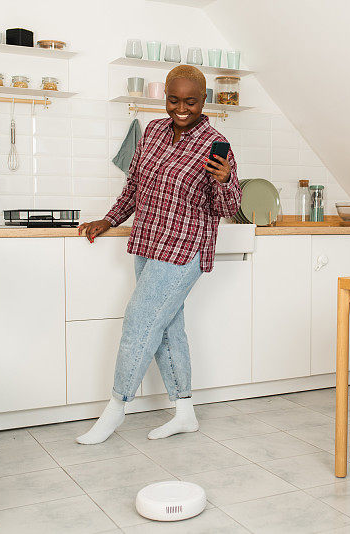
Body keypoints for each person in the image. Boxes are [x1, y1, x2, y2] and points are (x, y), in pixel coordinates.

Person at [75, 65, 241, 444]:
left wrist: (224, 179)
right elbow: (134, 185)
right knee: (166, 327)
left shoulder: (217, 144)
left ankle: (115, 409)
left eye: (191, 101)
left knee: (138, 322)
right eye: (174, 99)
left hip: (184, 248)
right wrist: (110, 218)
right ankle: (185, 412)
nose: (181, 108)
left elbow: (227, 207)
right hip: (149, 242)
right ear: (165, 96)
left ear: (204, 100)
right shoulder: (151, 132)